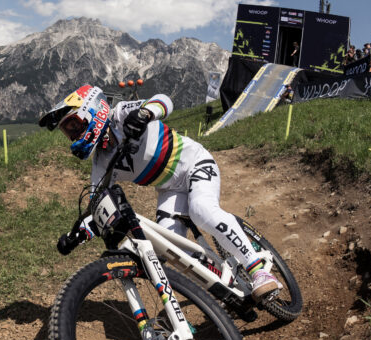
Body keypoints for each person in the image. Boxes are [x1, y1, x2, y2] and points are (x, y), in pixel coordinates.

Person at [38, 84, 281, 301]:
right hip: (169, 189)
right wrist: (76, 235)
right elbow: (97, 205)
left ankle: (257, 269)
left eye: (74, 125)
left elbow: (164, 100)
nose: (73, 135)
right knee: (171, 249)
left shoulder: (120, 114)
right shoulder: (101, 161)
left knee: (202, 210)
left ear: (92, 110)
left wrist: (145, 113)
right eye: (68, 131)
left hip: (195, 163)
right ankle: (223, 280)